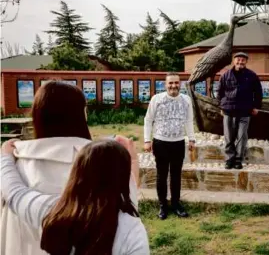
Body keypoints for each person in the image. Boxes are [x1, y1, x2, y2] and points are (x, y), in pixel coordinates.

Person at [1, 81, 139, 255]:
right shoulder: (101, 163)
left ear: (37, 116)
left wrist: (5, 158)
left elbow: (13, 194)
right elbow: (127, 211)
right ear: (82, 114)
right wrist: (132, 164)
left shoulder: (17, 162)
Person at [1, 139, 150, 255]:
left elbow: (14, 192)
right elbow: (126, 195)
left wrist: (5, 157)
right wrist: (132, 160)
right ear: (121, 179)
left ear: (77, 172)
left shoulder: (52, 211)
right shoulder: (131, 230)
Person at [144, 72, 195, 220]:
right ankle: (162, 206)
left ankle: (176, 204)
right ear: (165, 85)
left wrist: (191, 139)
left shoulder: (186, 100)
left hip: (178, 143)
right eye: (170, 83)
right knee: (161, 175)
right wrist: (147, 140)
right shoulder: (157, 99)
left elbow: (189, 121)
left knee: (176, 175)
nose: (173, 86)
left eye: (176, 83)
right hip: (160, 142)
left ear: (180, 84)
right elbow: (148, 120)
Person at [217, 52, 263, 170]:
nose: (240, 62)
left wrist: (256, 106)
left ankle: (238, 159)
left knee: (242, 136)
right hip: (228, 110)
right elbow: (220, 92)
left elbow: (258, 92)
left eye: (243, 60)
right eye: (238, 60)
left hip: (245, 110)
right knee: (229, 136)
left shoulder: (252, 76)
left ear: (246, 62)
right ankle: (229, 159)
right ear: (234, 61)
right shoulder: (225, 75)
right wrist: (221, 106)